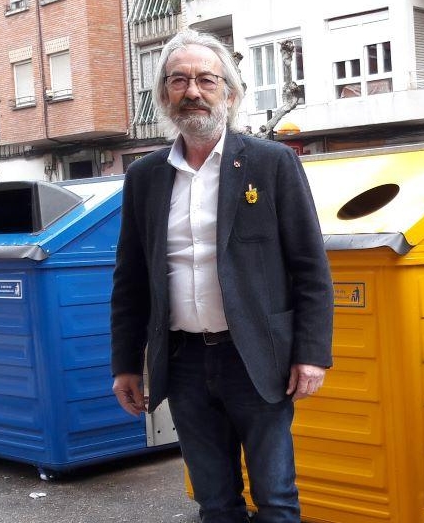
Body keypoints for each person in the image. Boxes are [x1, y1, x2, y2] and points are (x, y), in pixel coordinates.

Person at [109, 29, 333, 523]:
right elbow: (129, 279)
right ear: (164, 95)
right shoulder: (144, 177)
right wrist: (125, 364)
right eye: (178, 80)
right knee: (215, 503)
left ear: (229, 93)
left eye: (206, 80)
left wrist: (311, 354)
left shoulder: (271, 164)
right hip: (183, 361)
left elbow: (310, 268)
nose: (192, 91)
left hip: (256, 357)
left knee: (275, 500)